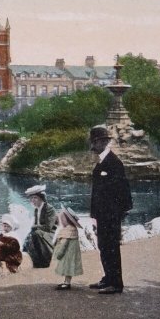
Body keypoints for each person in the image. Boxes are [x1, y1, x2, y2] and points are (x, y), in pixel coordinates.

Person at [87, 125, 133, 294]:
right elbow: (97, 193)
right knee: (103, 246)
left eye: (94, 142)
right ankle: (108, 278)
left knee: (111, 247)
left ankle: (116, 283)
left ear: (101, 142)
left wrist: (119, 213)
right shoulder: (102, 161)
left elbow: (123, 190)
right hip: (102, 215)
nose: (92, 146)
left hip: (111, 215)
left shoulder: (113, 163)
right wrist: (94, 215)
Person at [23, 184, 57, 268]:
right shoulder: (36, 209)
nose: (32, 200)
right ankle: (36, 261)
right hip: (41, 232)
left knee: (36, 233)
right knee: (29, 237)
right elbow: (37, 225)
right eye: (31, 198)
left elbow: (48, 227)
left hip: (51, 234)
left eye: (35, 198)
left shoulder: (49, 209)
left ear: (41, 198)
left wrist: (35, 227)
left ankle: (46, 260)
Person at [52, 207, 84, 290]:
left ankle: (67, 283)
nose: (61, 221)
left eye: (62, 219)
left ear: (67, 219)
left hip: (68, 253)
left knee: (67, 267)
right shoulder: (73, 229)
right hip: (71, 253)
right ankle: (66, 282)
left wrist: (59, 253)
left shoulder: (68, 230)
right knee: (68, 268)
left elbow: (64, 243)